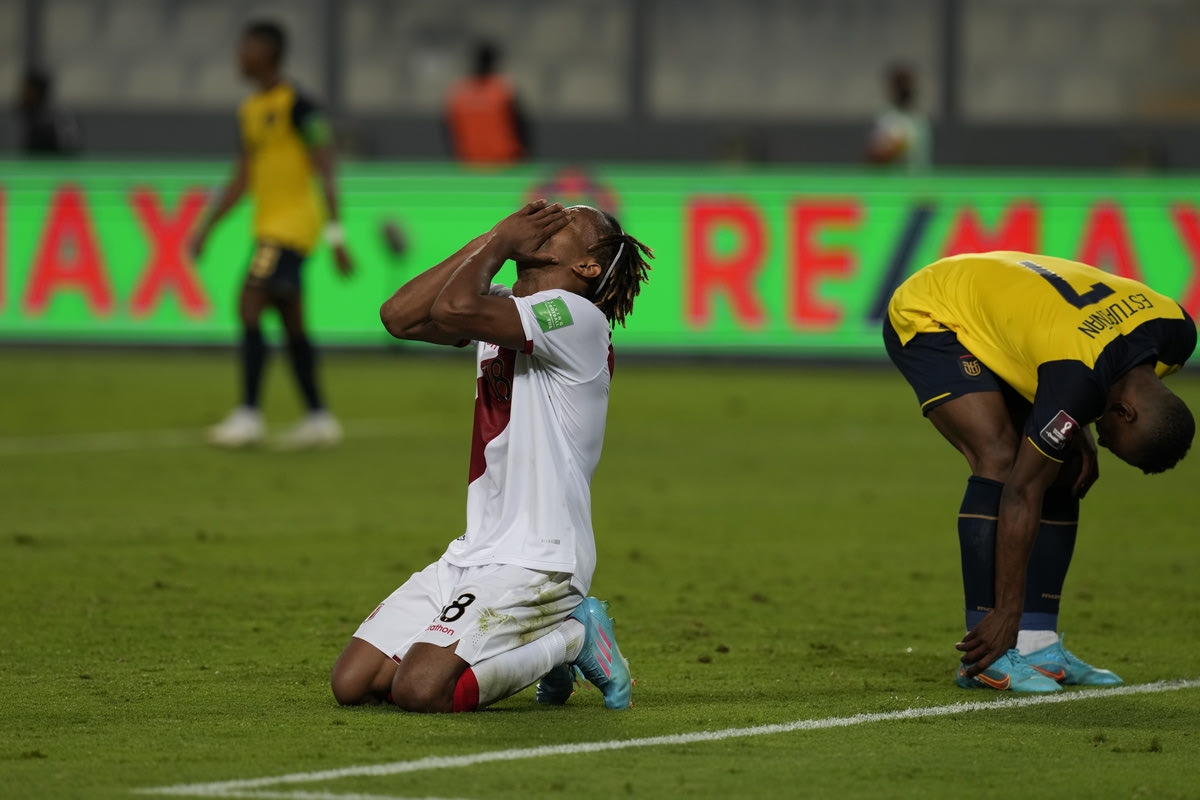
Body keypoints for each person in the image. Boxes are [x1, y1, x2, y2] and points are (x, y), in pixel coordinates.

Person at [330, 200, 652, 713]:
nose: (547, 221)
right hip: (474, 552)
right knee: (353, 683)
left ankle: (571, 638)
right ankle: (539, 639)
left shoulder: (577, 317)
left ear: (587, 266)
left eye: (565, 222)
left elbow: (454, 308)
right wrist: (494, 238)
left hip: (540, 559)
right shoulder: (504, 307)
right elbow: (399, 316)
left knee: (420, 689)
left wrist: (500, 242)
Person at [884, 251, 1195, 692]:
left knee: (1066, 463)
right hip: (938, 311)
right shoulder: (1087, 373)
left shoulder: (1177, 331)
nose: (1105, 443)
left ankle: (1036, 644)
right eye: (1112, 440)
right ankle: (986, 654)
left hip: (1027, 321)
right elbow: (1021, 492)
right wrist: (1005, 611)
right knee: (1002, 459)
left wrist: (1075, 421)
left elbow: (1090, 366)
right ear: (1125, 411)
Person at [189, 20, 353, 449]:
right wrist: (207, 227)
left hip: (291, 228)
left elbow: (326, 166)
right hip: (269, 226)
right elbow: (242, 178)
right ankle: (319, 417)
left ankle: (248, 415)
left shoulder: (299, 105)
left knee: (249, 303)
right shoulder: (249, 111)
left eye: (246, 49)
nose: (239, 57)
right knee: (290, 319)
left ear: (267, 52)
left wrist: (336, 237)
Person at [444, 41, 529, 165]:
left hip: (470, 163)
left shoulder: (458, 92)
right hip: (505, 163)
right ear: (493, 62)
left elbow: (450, 131)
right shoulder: (503, 90)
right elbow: (520, 126)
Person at [866, 64, 930, 172]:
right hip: (892, 180)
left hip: (915, 179)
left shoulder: (919, 119)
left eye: (908, 84)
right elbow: (875, 157)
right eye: (901, 84)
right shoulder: (886, 117)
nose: (905, 88)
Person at [16, 70, 81, 156]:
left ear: (36, 92)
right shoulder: (30, 117)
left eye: (27, 91)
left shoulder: (53, 119)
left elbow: (71, 149)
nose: (22, 95)